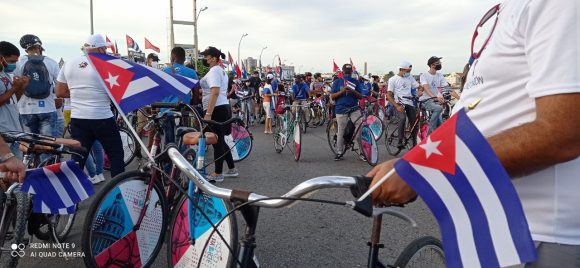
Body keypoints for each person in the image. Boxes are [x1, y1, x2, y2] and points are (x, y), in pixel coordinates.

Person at [368, 1, 580, 266]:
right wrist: (413, 160)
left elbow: (562, 131)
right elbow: (479, 104)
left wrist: (422, 169)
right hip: (494, 223)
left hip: (534, 233)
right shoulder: (506, 12)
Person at [55, 34, 125, 180]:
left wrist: (80, 93)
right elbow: (119, 92)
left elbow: (60, 92)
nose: (105, 51)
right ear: (100, 48)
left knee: (77, 159)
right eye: (104, 48)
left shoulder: (69, 63)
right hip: (102, 117)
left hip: (79, 119)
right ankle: (119, 192)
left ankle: (71, 198)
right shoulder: (108, 64)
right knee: (115, 154)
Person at [199, 46, 237, 182]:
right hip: (222, 106)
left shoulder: (214, 71)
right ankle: (232, 168)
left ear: (213, 58)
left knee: (217, 141)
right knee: (220, 140)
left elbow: (214, 92)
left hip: (216, 108)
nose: (204, 59)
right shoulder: (221, 71)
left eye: (206, 56)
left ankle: (218, 173)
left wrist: (208, 113)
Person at [14, 34, 61, 139]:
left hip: (25, 109)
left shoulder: (19, 62)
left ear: (25, 49)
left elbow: (14, 84)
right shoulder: (51, 62)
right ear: (40, 47)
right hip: (48, 108)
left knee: (30, 147)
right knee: (48, 145)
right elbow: (59, 85)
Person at [160, 47, 198, 145]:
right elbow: (196, 93)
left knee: (168, 141)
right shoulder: (191, 73)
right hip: (183, 111)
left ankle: (168, 158)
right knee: (184, 140)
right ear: (184, 58)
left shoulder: (164, 71)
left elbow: (159, 91)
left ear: (173, 57)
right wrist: (193, 105)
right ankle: (184, 157)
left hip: (166, 110)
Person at [0, 41, 29, 158]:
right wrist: (14, 88)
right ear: (1, 58)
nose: (14, 65)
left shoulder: (5, 74)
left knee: (17, 171)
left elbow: (12, 100)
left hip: (15, 130)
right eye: (11, 61)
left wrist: (21, 88)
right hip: (3, 132)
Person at [330, 64, 364, 161]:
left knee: (360, 129)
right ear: (343, 71)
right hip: (341, 109)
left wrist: (353, 91)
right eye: (347, 71)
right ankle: (339, 152)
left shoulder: (356, 82)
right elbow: (332, 96)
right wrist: (343, 91)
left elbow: (361, 96)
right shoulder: (337, 82)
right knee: (341, 130)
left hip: (354, 108)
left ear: (351, 72)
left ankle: (362, 152)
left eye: (349, 71)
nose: (348, 73)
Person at [386, 61, 419, 148]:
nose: (409, 73)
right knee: (403, 118)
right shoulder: (393, 79)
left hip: (409, 102)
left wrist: (420, 90)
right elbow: (388, 95)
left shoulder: (410, 77)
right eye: (407, 71)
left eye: (410, 71)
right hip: (399, 103)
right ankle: (399, 141)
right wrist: (396, 106)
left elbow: (418, 86)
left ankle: (415, 142)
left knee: (414, 122)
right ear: (401, 69)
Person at [419, 56, 447, 134]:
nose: (440, 64)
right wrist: (435, 97)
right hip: (426, 100)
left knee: (441, 125)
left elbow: (447, 88)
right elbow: (427, 89)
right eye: (438, 63)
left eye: (440, 63)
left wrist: (460, 98)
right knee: (438, 108)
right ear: (432, 65)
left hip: (435, 101)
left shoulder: (440, 75)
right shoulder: (424, 75)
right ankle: (430, 134)